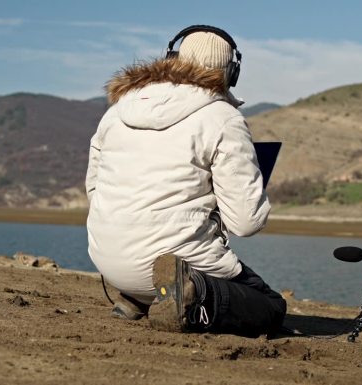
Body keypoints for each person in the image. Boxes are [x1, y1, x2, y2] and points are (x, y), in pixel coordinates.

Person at [85, 25, 286, 337]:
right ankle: (190, 297)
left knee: (155, 254)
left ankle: (137, 297)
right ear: (231, 73)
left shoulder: (119, 109)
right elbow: (246, 224)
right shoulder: (224, 118)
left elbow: (93, 188)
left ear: (172, 57)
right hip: (173, 260)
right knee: (271, 306)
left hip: (108, 261)